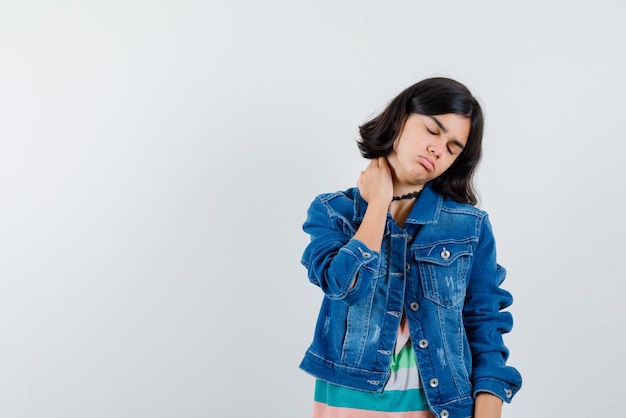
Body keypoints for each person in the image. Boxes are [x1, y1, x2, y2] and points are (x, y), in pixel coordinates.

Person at [299, 77, 522, 418]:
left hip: (443, 404)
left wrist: (489, 410)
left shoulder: (470, 226)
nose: (438, 149)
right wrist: (377, 205)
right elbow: (345, 287)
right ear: (401, 118)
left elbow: (485, 322)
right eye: (433, 130)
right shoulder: (333, 212)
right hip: (352, 400)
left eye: (452, 147)